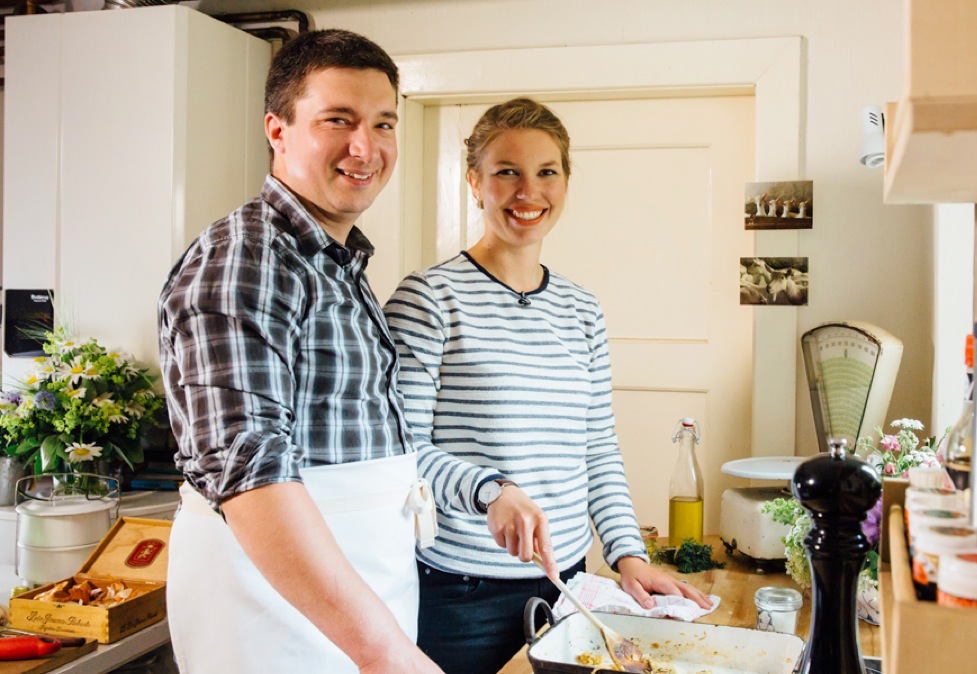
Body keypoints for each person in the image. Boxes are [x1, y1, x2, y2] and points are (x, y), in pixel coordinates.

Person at [384, 98, 712, 674]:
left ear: (565, 181)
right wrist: (490, 490)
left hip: (569, 589)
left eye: (546, 172)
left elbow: (598, 448)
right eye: (506, 171)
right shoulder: (429, 299)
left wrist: (627, 554)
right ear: (474, 182)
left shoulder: (582, 311)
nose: (527, 192)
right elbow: (399, 451)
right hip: (461, 596)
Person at [158, 30, 443, 674]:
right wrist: (389, 653)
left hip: (353, 612)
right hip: (274, 621)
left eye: (383, 123)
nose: (364, 147)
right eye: (337, 120)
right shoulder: (246, 258)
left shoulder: (334, 261)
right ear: (277, 130)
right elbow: (250, 472)